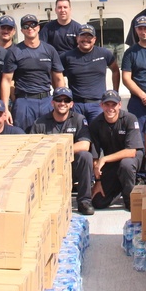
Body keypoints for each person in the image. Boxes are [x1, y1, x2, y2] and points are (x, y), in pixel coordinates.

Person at [29, 87, 95, 215]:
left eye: (66, 100)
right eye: (59, 100)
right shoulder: (40, 123)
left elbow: (85, 144)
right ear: (52, 102)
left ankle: (84, 201)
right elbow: (33, 149)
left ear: (71, 104)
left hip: (71, 166)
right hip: (49, 167)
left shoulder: (79, 119)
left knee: (85, 156)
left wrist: (60, 151)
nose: (62, 103)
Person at [1, 13, 65, 132]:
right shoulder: (14, 52)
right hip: (24, 102)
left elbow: (59, 79)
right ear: (22, 30)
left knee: (50, 139)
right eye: (26, 26)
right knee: (24, 140)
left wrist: (61, 101)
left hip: (46, 100)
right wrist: (5, 108)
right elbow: (6, 80)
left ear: (38, 27)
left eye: (33, 25)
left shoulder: (49, 50)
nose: (30, 28)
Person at [88, 90, 144, 211]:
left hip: (131, 160)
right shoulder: (96, 124)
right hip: (112, 164)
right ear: (101, 105)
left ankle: (130, 201)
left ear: (119, 105)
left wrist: (105, 158)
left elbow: (131, 151)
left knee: (126, 164)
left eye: (113, 105)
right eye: (107, 104)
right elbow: (95, 156)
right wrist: (97, 181)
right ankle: (121, 186)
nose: (110, 108)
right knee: (98, 202)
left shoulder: (129, 118)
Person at [60, 23, 121, 123]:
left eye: (89, 36)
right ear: (77, 38)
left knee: (97, 135)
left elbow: (115, 70)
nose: (86, 39)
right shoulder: (66, 56)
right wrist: (63, 94)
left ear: (94, 39)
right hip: (76, 105)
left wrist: (115, 93)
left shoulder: (104, 53)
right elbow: (56, 74)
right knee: (77, 136)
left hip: (97, 104)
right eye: (83, 35)